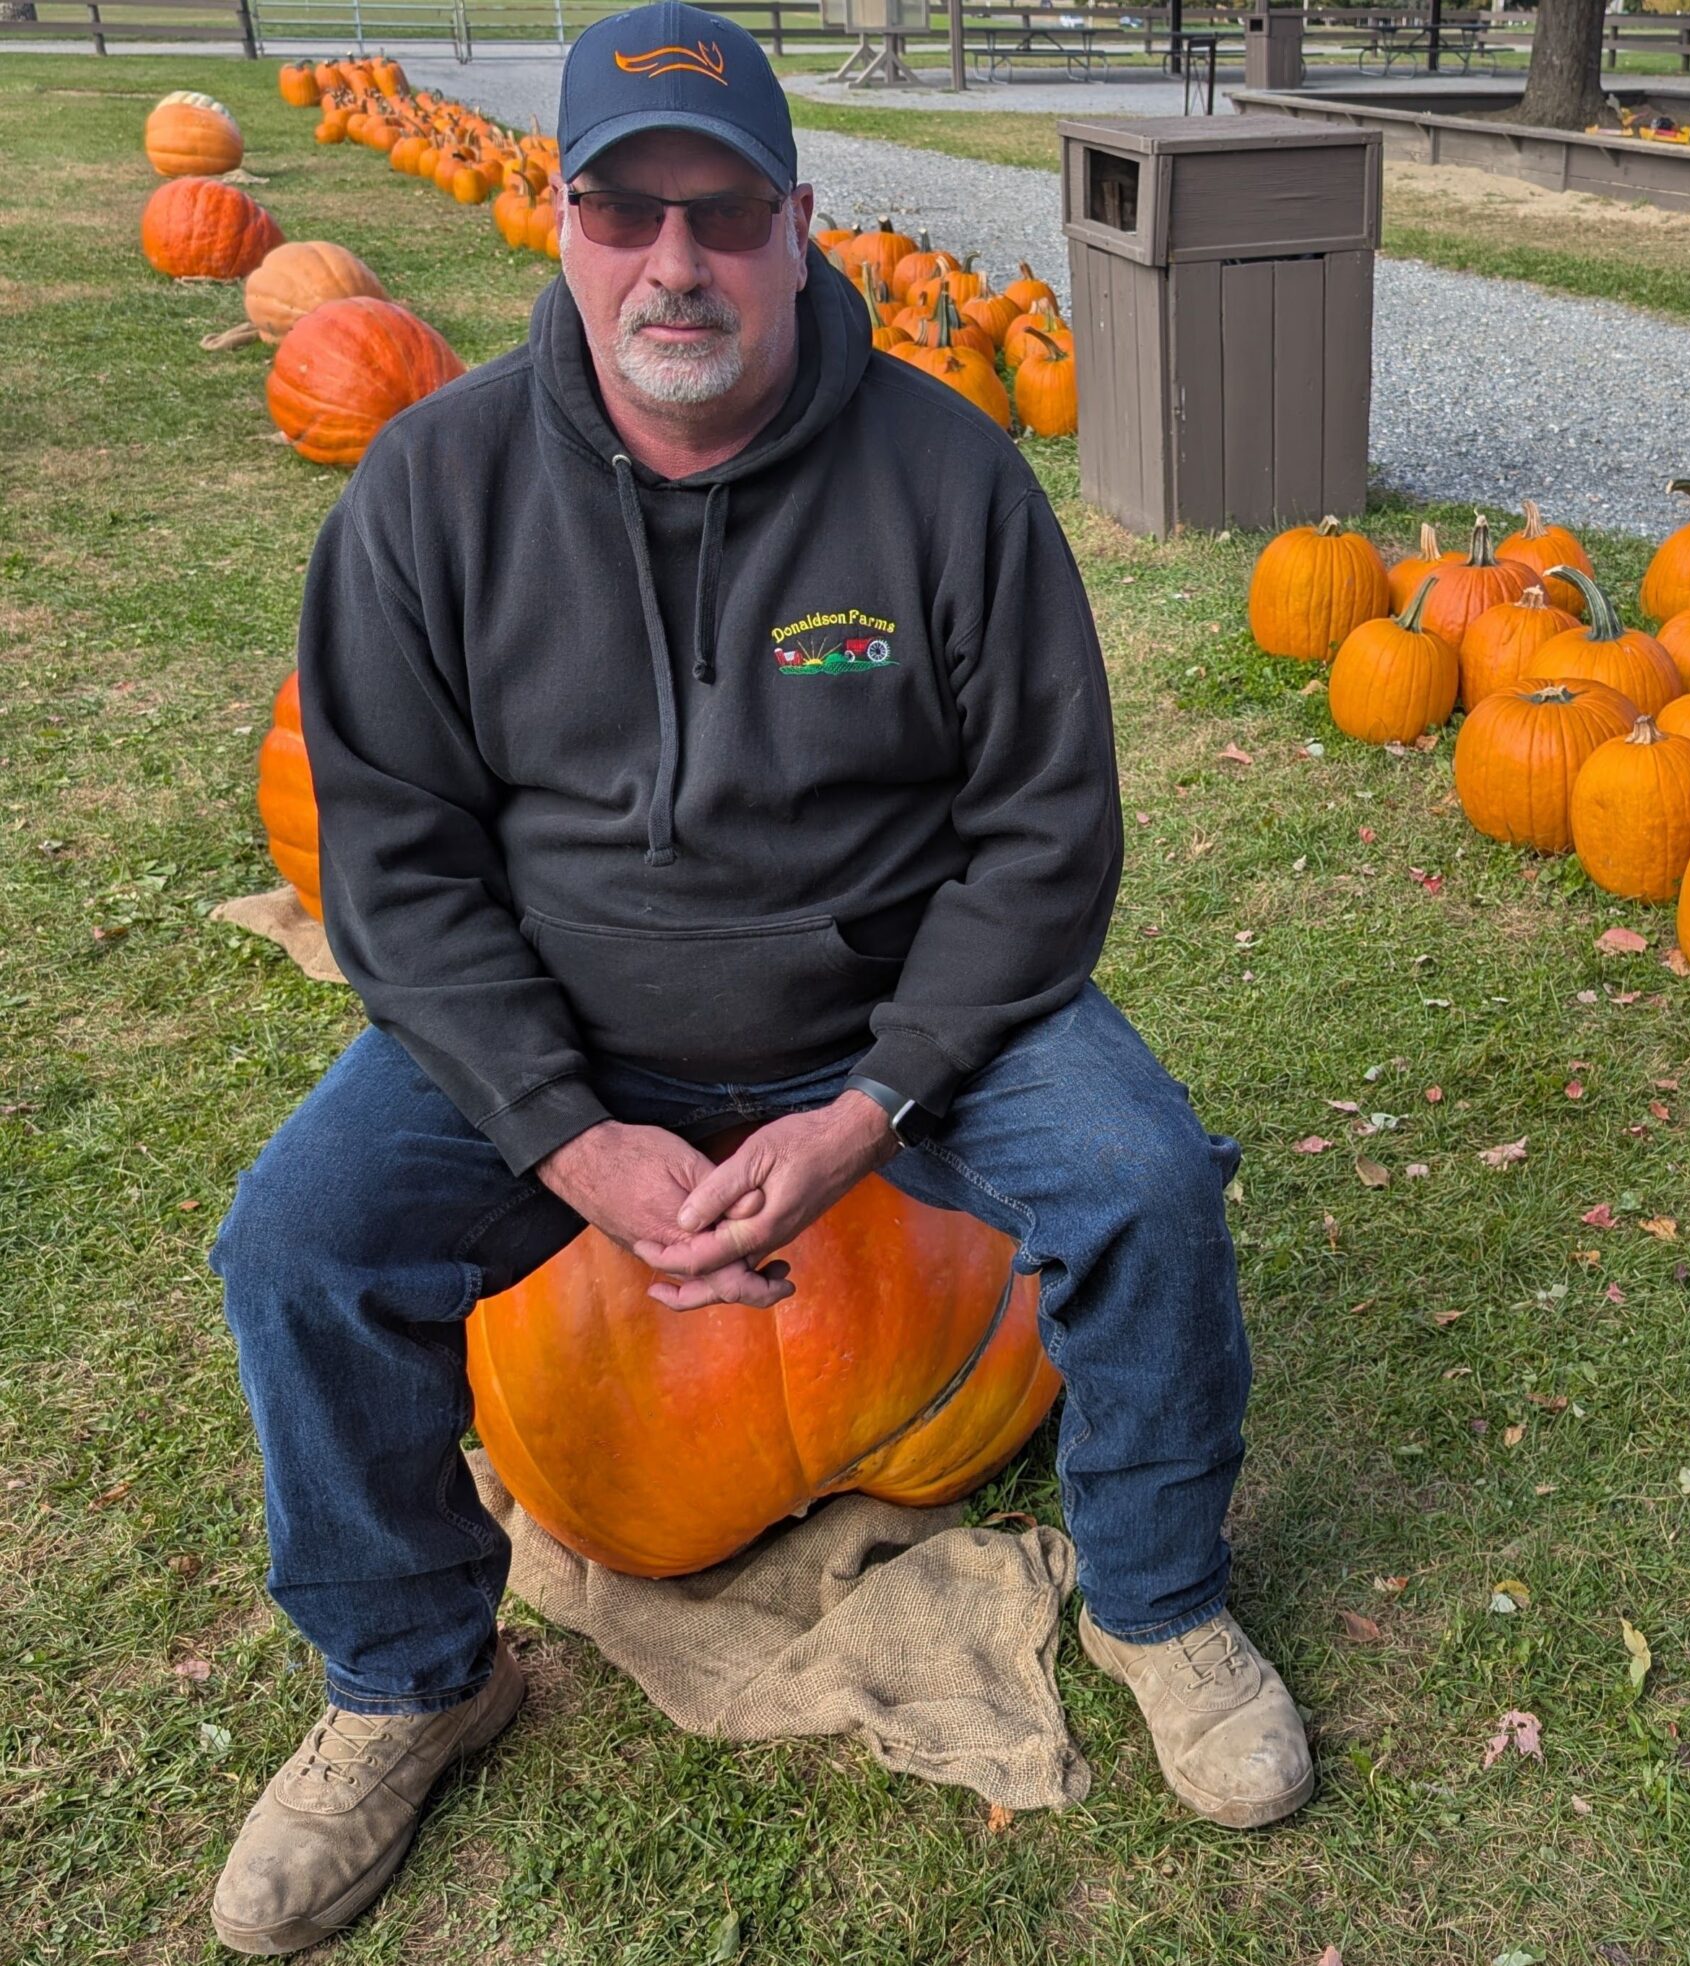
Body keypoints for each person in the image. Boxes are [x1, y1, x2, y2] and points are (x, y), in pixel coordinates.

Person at [205, 6, 1311, 1953]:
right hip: (554, 1020)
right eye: (626, 210)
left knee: (1139, 1176)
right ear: (560, 218)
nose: (676, 259)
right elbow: (394, 862)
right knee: (294, 1241)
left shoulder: (947, 484)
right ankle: (406, 1670)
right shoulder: (428, 494)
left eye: (722, 210)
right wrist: (564, 1137)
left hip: (895, 1017)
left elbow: (1043, 838)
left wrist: (873, 1099)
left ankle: (1155, 1598)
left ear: (797, 222)